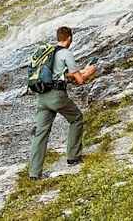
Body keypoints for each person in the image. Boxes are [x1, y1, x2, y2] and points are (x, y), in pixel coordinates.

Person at [27, 26, 97, 180]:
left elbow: (62, 75)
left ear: (58, 37)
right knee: (76, 118)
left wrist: (77, 74)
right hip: (57, 97)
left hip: (42, 97)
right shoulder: (66, 53)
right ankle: (73, 157)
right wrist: (89, 72)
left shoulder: (48, 53)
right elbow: (80, 81)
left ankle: (34, 173)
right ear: (70, 38)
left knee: (40, 133)